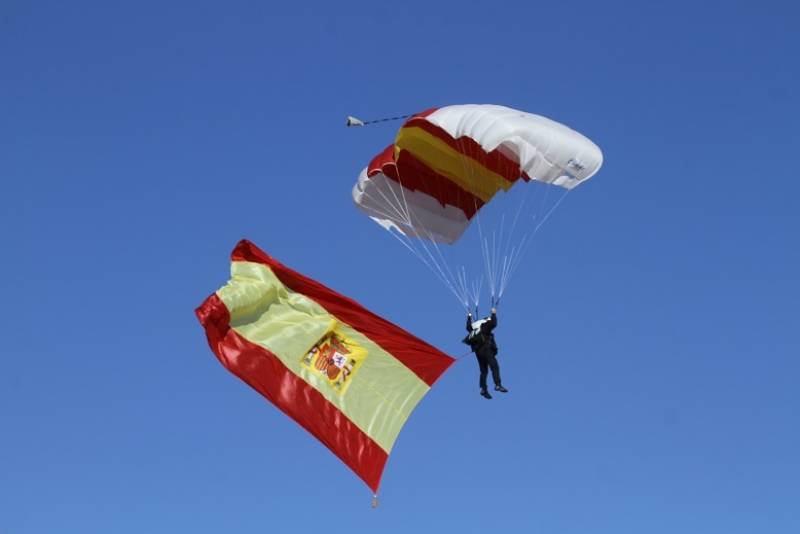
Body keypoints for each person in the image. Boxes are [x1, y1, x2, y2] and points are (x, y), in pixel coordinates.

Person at [463, 307, 508, 399]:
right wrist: (494, 313)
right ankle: (497, 384)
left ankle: (483, 389)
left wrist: (469, 318)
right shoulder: (485, 326)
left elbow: (468, 327)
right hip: (486, 349)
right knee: (494, 365)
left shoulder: (474, 330)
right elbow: (494, 323)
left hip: (478, 353)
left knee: (484, 371)